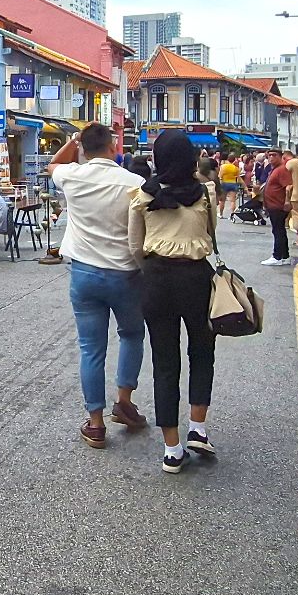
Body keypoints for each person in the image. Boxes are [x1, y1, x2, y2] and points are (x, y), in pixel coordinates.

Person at [47, 123, 149, 447]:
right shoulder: (135, 183)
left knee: (91, 348)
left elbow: (54, 164)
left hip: (85, 274)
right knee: (132, 334)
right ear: (113, 147)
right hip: (125, 273)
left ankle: (95, 423)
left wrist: (74, 140)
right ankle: (124, 400)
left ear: (82, 149)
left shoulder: (72, 177)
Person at [131, 131, 219, 474]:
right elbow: (212, 237)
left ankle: (172, 448)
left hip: (156, 278)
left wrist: (152, 268)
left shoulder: (142, 194)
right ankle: (197, 427)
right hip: (196, 276)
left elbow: (134, 246)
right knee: (202, 349)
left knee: (164, 360)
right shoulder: (206, 193)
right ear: (191, 158)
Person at [261, 150, 293, 267]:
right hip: (273, 205)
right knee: (279, 230)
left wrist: (287, 201)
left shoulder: (281, 169)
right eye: (269, 155)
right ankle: (285, 256)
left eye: (274, 155)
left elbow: (288, 187)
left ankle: (277, 256)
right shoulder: (274, 169)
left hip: (278, 205)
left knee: (278, 231)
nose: (271, 158)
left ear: (281, 157)